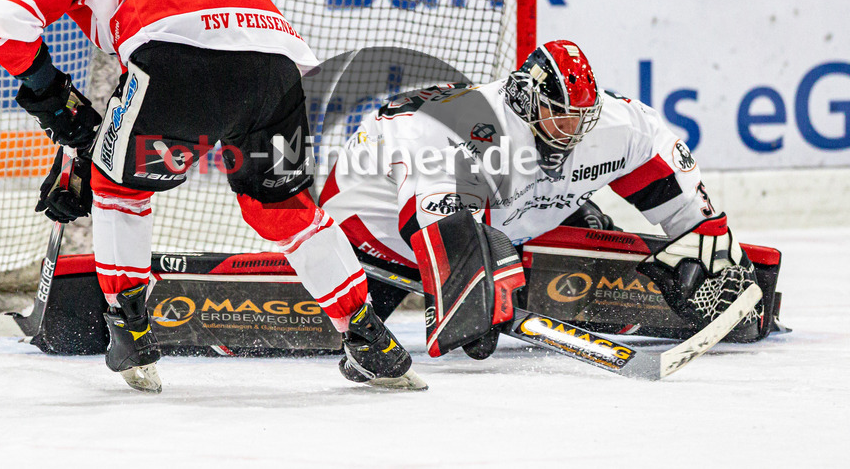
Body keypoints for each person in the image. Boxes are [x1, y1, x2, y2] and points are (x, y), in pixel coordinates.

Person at [0, 0, 425, 393]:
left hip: (181, 54)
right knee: (285, 208)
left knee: (117, 186)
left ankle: (130, 331)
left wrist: (55, 103)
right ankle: (370, 339)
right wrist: (78, 133)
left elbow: (5, 24)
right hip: (274, 65)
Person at [319, 40, 757, 355]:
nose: (574, 132)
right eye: (561, 119)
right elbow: (435, 224)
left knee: (586, 236)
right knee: (336, 331)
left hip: (503, 219)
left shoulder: (618, 125)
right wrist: (470, 298)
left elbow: (666, 164)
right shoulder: (462, 127)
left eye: (582, 120)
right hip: (370, 235)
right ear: (527, 102)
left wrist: (710, 240)